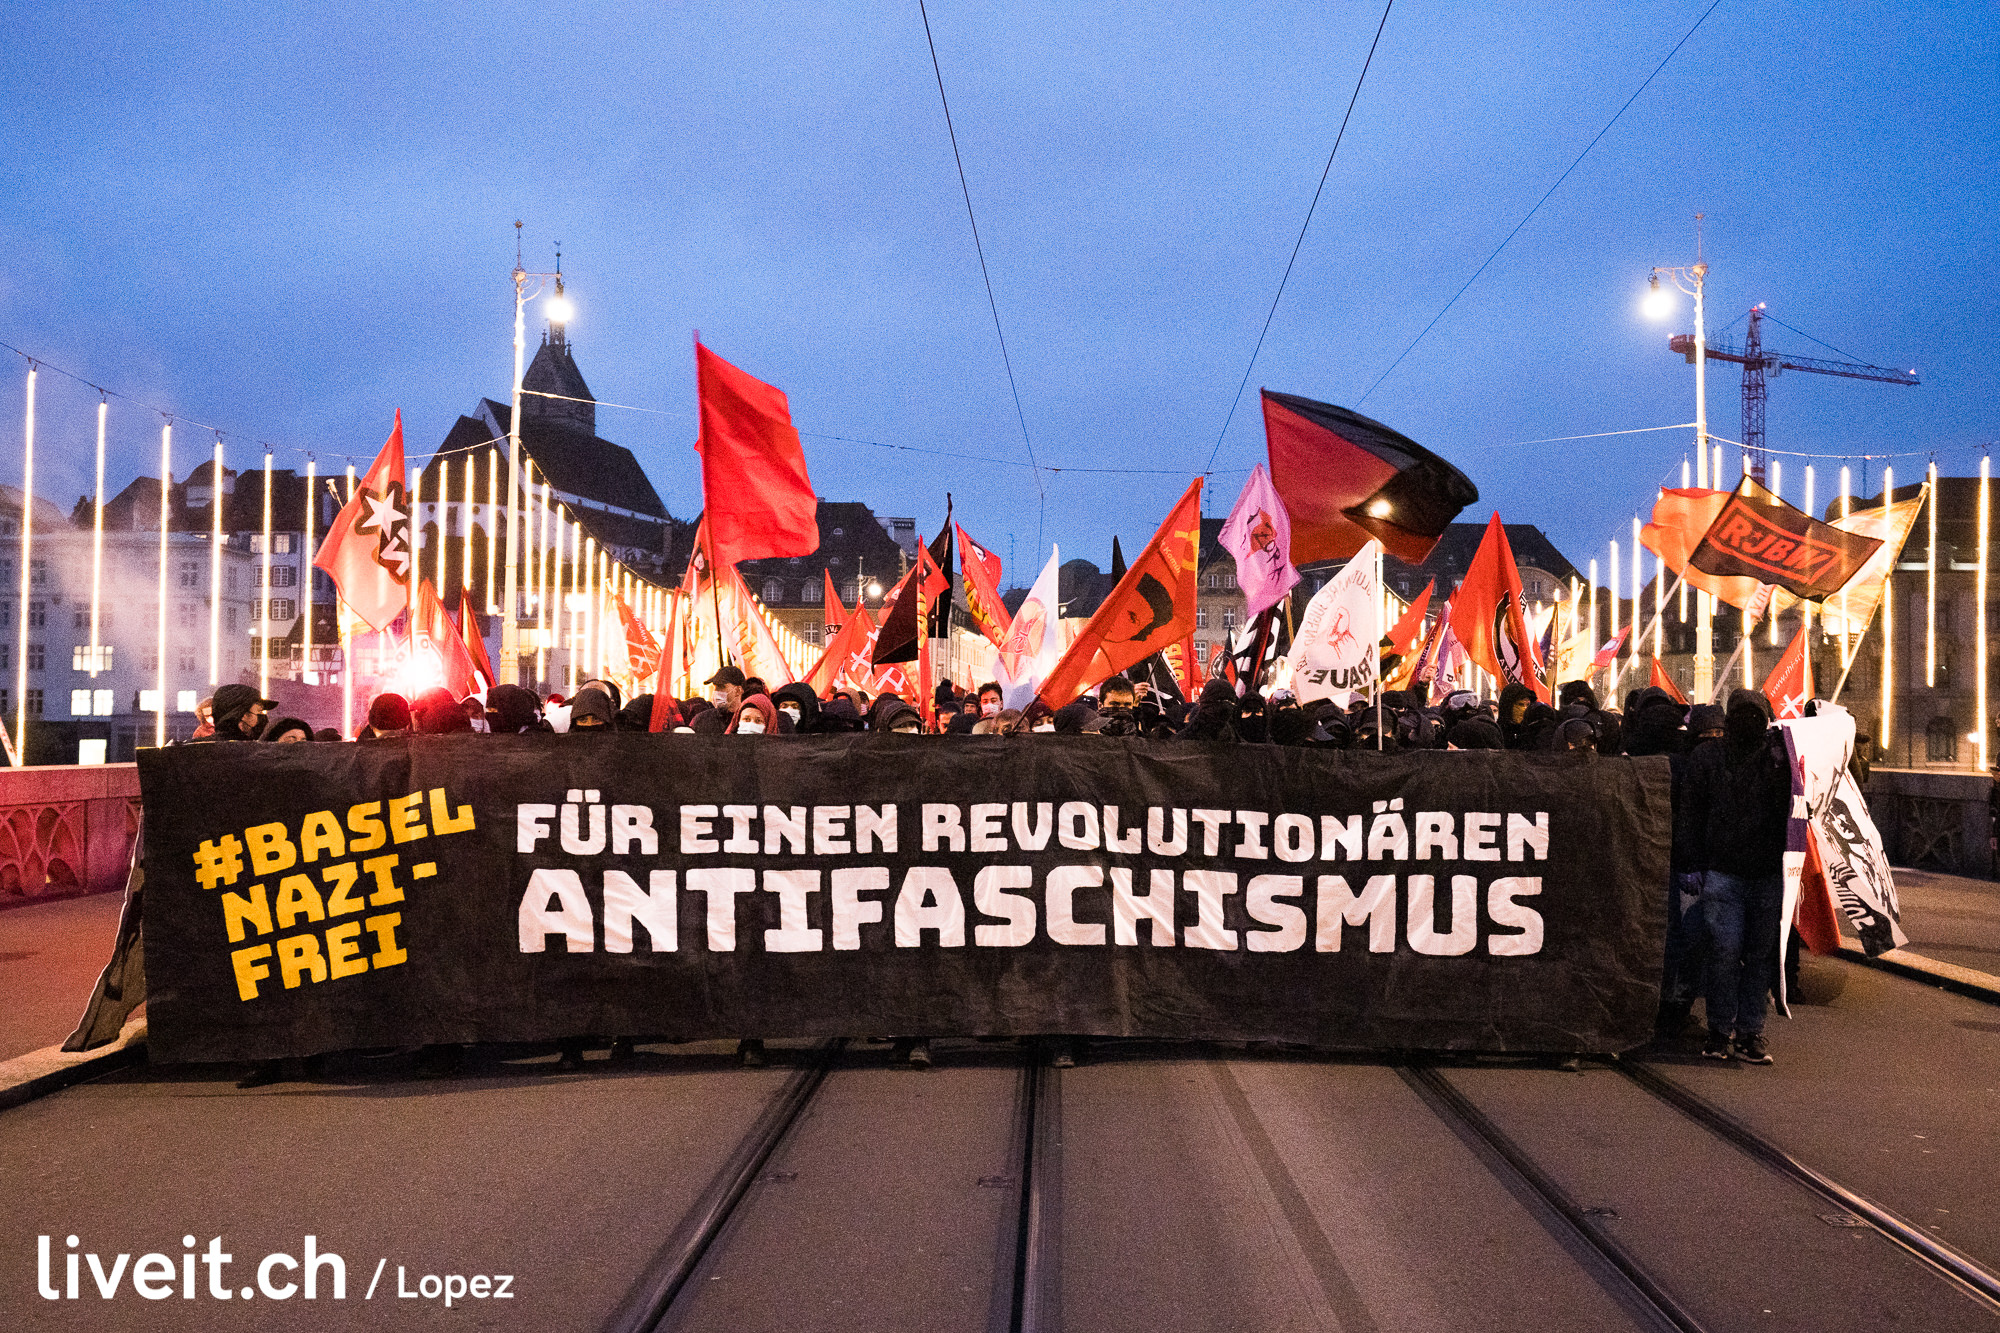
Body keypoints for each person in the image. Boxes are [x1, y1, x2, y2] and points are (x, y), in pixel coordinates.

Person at [1678, 688, 1790, 1064]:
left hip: (1764, 873)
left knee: (1756, 955)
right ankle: (1722, 1028)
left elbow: (1795, 811)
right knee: (1727, 953)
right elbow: (1691, 812)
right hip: (1725, 871)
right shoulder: (1707, 758)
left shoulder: (1779, 760)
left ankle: (1748, 1031)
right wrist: (1692, 862)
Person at [202, 684, 276, 742]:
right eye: (259, 711)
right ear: (243, 714)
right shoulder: (253, 751)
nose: (263, 717)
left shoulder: (198, 748)